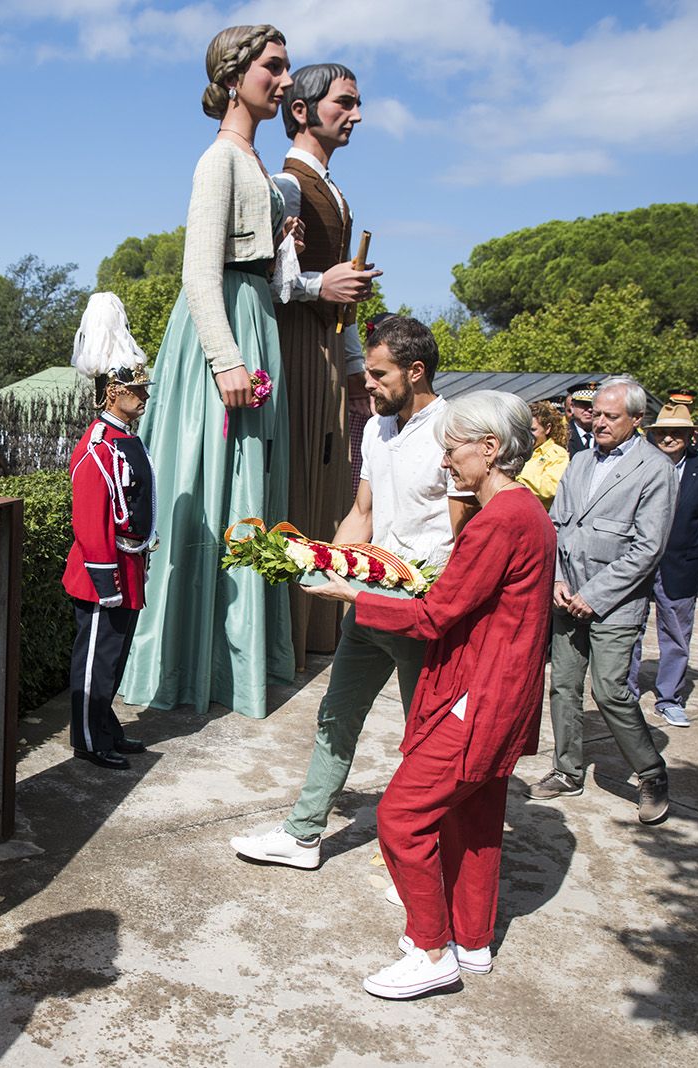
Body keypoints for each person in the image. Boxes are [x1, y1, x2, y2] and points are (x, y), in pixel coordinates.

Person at [301, 391, 554, 998]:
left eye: (452, 449)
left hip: (480, 695)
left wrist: (354, 597)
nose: (445, 463)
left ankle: (430, 948)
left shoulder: (499, 520)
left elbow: (434, 616)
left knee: (401, 817)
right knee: (476, 819)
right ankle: (471, 942)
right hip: (502, 692)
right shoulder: (525, 512)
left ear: (490, 449)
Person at [230, 315, 474, 868]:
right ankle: (303, 836)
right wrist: (321, 567)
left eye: (379, 373)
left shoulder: (450, 430)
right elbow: (362, 513)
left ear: (416, 372)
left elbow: (465, 535)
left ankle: (425, 861)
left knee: (426, 739)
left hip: (419, 612)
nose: (366, 381)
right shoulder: (374, 427)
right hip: (366, 603)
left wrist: (444, 608)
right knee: (334, 718)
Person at [119, 25, 303, 719]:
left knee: (248, 491)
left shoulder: (253, 163)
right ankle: (186, 664)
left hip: (255, 319)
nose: (285, 81)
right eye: (273, 67)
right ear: (235, 76)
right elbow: (198, 270)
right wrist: (225, 358)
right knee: (207, 481)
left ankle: (234, 663)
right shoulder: (218, 161)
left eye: (287, 69)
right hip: (223, 331)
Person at [271, 62, 380, 670]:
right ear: (302, 111)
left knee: (328, 486)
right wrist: (323, 284)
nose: (357, 115)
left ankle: (314, 631)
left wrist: (356, 367)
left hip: (328, 360)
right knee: (298, 486)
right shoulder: (285, 186)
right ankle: (284, 632)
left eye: (358, 104)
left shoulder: (334, 191)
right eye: (345, 103)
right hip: (292, 352)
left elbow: (342, 302)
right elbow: (271, 282)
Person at [529, 376, 676, 824]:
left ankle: (651, 773)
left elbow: (648, 549)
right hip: (566, 597)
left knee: (610, 691)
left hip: (614, 603)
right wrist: (555, 579)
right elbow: (556, 526)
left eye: (612, 417)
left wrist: (593, 596)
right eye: (596, 415)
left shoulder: (655, 469)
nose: (600, 423)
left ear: (637, 419)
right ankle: (567, 770)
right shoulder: (579, 462)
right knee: (563, 686)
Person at [63, 294, 156, 770]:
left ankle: (105, 726)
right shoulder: (99, 446)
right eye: (136, 388)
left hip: (127, 566)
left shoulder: (124, 439)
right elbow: (90, 521)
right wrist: (106, 582)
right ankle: (86, 737)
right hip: (104, 574)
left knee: (113, 659)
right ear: (112, 392)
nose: (143, 394)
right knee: (95, 661)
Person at [626, 396, 698, 728]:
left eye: (676, 433)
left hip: (681, 565)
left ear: (690, 436)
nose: (668, 438)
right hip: (637, 563)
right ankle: (626, 692)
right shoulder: (638, 465)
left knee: (677, 634)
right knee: (630, 629)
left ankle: (669, 698)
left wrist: (691, 555)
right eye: (662, 432)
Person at [518, 400, 570, 510]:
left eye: (532, 430)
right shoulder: (517, 451)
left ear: (547, 428)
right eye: (524, 430)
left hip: (541, 516)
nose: (527, 435)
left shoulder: (557, 454)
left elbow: (550, 487)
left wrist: (516, 477)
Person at [564, 382, 598, 455]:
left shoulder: (605, 434)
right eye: (584, 404)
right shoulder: (562, 435)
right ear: (572, 407)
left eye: (593, 405)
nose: (590, 409)